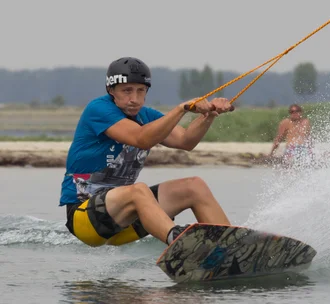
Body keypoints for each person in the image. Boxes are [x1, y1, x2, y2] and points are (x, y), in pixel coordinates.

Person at [59, 56, 234, 247]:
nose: (134, 99)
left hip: (126, 221)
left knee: (194, 186)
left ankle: (228, 247)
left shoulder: (146, 115)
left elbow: (185, 141)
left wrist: (209, 114)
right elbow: (142, 139)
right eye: (127, 91)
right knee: (139, 190)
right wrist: (181, 109)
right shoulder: (98, 109)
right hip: (85, 219)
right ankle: (180, 244)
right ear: (111, 90)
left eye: (140, 91)